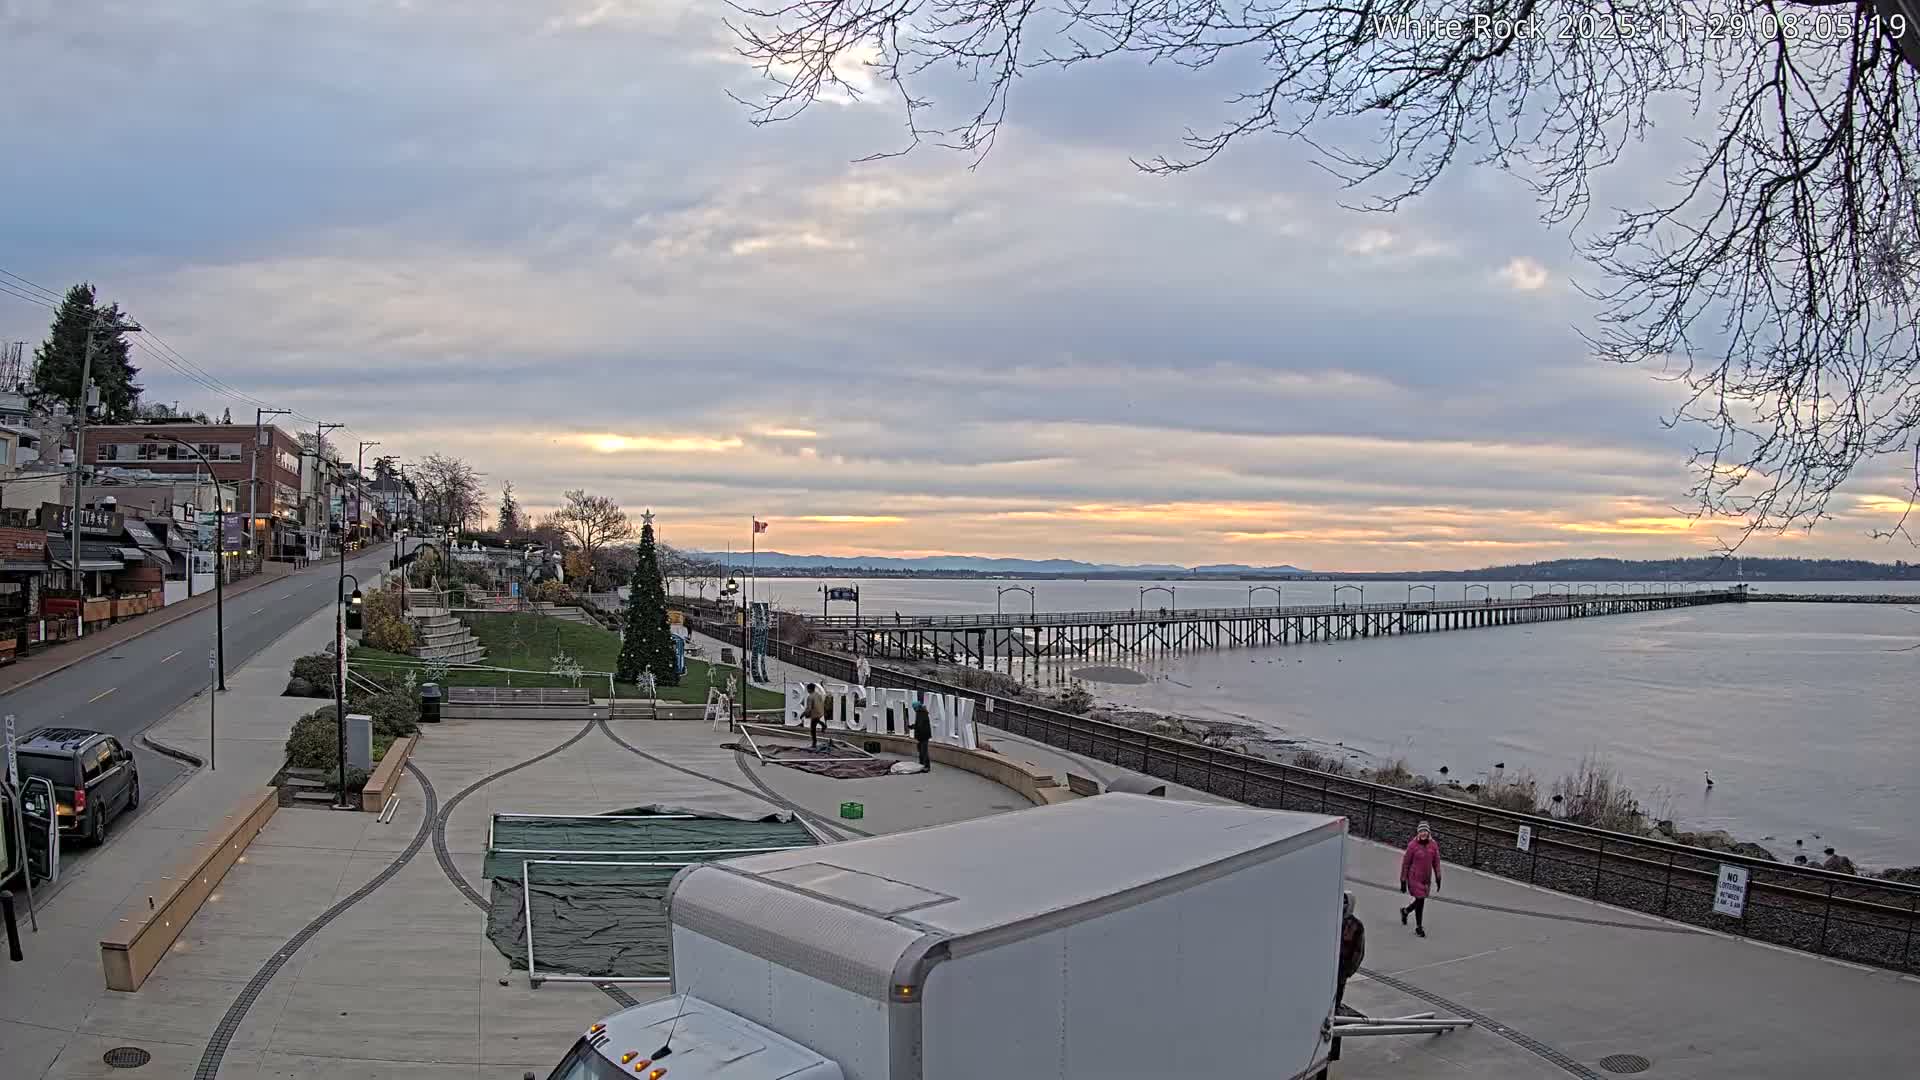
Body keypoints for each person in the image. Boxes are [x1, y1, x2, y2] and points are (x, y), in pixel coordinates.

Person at [1399, 821, 1442, 937]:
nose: (1423, 833)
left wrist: (1438, 877)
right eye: (1421, 831)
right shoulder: (1412, 845)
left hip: (1426, 879)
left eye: (1425, 831)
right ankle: (1419, 927)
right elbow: (1406, 863)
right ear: (1418, 833)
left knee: (1420, 900)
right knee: (1421, 900)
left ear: (1429, 832)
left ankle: (1405, 911)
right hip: (1414, 878)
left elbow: (1436, 862)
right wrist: (1403, 880)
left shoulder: (1433, 845)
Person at [802, 682, 830, 749]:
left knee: (812, 729)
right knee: (816, 720)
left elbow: (809, 708)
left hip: (815, 714)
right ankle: (823, 725)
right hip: (820, 712)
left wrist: (803, 714)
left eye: (807, 689)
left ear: (809, 689)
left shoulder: (810, 697)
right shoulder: (818, 694)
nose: (807, 690)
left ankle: (814, 743)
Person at [912, 694, 934, 771]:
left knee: (923, 751)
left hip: (923, 735)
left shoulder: (921, 713)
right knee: (921, 750)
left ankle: (926, 766)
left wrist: (915, 727)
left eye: (914, 708)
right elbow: (919, 724)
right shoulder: (921, 712)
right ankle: (921, 764)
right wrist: (913, 726)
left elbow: (920, 725)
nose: (913, 709)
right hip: (923, 735)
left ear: (916, 707)